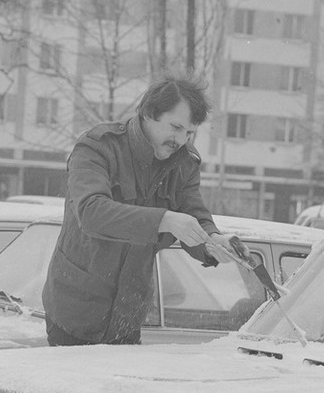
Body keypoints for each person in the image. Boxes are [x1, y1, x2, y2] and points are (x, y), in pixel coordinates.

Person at [42, 74, 241, 346]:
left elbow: (195, 216)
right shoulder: (97, 147)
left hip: (128, 316)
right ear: (148, 113)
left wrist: (212, 243)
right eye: (175, 127)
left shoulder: (185, 164)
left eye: (189, 132)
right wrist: (165, 220)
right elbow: (91, 212)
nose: (180, 140)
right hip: (74, 313)